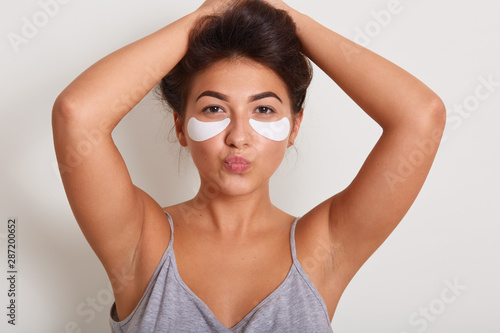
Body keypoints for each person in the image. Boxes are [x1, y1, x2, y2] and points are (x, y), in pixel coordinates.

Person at [52, 0, 446, 331]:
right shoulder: (140, 242)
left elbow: (421, 116)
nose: (239, 136)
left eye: (263, 109)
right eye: (213, 108)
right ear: (180, 127)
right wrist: (211, 12)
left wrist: (287, 18)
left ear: (294, 127)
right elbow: (77, 114)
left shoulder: (324, 247)